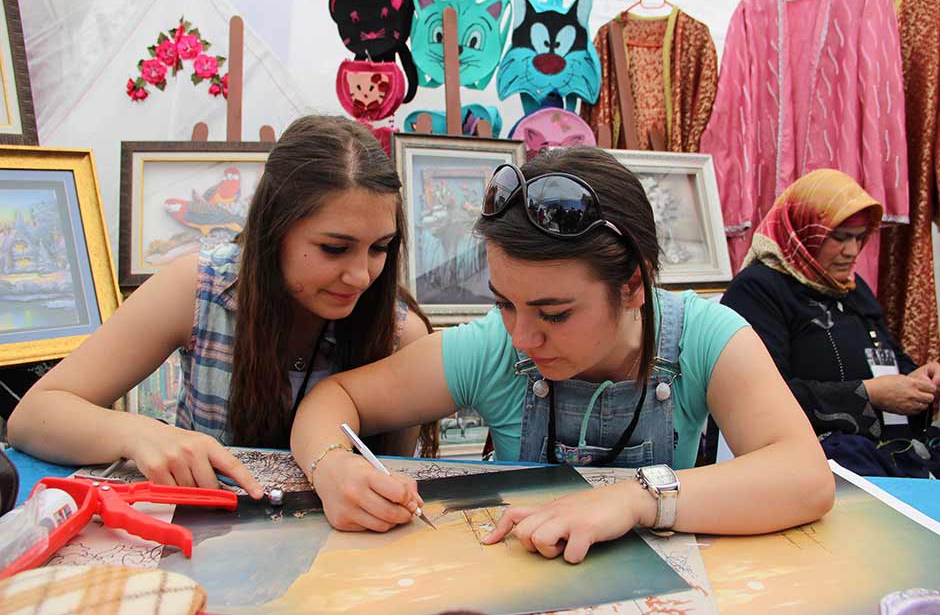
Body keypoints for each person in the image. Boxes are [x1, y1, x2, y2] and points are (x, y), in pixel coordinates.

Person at [291, 146, 834, 564]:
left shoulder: (705, 337)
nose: (523, 337)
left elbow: (805, 476)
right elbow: (334, 397)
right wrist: (331, 466)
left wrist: (635, 499)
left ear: (633, 285)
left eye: (554, 314)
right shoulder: (493, 347)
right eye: (504, 303)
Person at [8, 115, 436, 497]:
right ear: (274, 228)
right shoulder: (199, 288)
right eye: (334, 248)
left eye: (380, 248)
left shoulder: (400, 336)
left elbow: (399, 474)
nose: (360, 276)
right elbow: (33, 417)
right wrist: (139, 434)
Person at [721, 169, 940, 477]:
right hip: (813, 462)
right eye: (839, 238)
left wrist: (919, 377)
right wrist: (869, 393)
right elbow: (761, 395)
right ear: (804, 230)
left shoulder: (849, 288)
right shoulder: (759, 290)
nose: (852, 251)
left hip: (886, 452)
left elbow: (884, 353)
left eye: (859, 237)